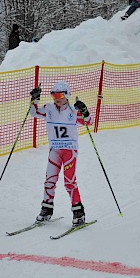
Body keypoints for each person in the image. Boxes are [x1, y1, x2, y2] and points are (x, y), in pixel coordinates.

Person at [29, 81, 93, 227]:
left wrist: (84, 110)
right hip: (55, 150)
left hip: (69, 150)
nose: (56, 98)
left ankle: (78, 213)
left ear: (67, 95)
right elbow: (34, 112)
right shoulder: (49, 108)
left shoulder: (72, 110)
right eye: (53, 95)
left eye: (59, 95)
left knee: (69, 181)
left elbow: (88, 122)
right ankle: (47, 209)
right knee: (49, 180)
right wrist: (34, 99)